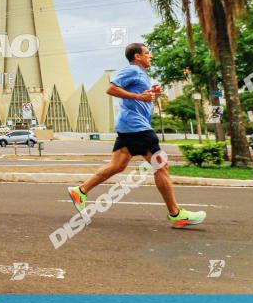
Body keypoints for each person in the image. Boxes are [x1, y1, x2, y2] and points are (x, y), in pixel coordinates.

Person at [67, 43, 206, 228]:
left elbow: (138, 95)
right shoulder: (133, 70)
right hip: (137, 128)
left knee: (117, 166)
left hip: (129, 127)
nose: (151, 56)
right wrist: (139, 97)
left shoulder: (142, 74)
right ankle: (176, 214)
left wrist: (151, 93)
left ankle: (80, 191)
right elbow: (111, 89)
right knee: (161, 166)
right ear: (137, 56)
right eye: (147, 53)